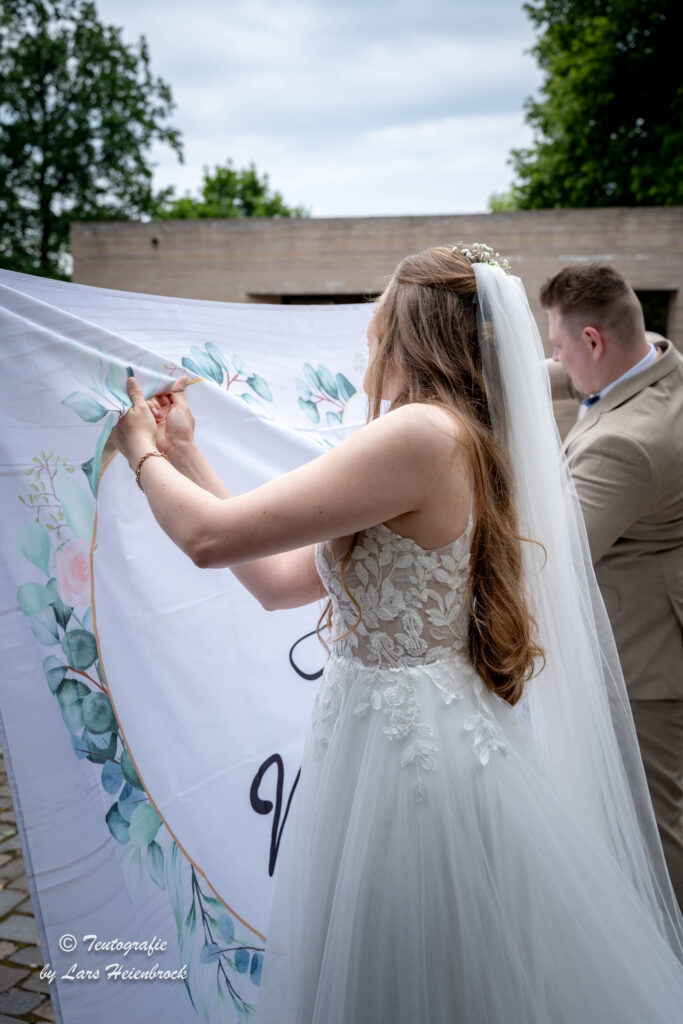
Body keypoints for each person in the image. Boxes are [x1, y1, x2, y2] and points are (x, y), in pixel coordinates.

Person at [110, 244, 683, 1023]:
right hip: (394, 738)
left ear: (406, 330)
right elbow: (277, 583)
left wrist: (138, 449)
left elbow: (208, 540)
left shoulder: (416, 436)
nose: (366, 340)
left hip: (410, 764)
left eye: (374, 322)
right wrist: (187, 453)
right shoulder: (453, 436)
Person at [540, 262, 683, 905]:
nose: (553, 356)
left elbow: (549, 556)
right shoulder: (660, 358)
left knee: (656, 832)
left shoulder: (626, 443)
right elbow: (582, 384)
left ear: (593, 341)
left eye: (558, 344)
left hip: (645, 658)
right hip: (663, 611)